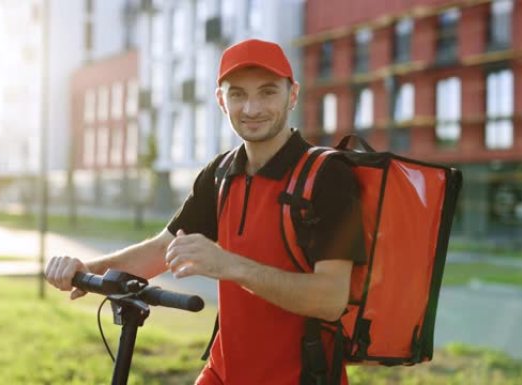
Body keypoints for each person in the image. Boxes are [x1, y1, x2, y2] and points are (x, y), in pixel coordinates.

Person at [46, 38, 365, 385]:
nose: (252, 108)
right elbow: (160, 251)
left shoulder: (328, 176)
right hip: (222, 374)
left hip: (300, 377)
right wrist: (89, 269)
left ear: (293, 95)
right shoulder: (220, 172)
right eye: (238, 94)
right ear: (220, 101)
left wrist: (229, 265)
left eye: (268, 92)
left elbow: (331, 299)